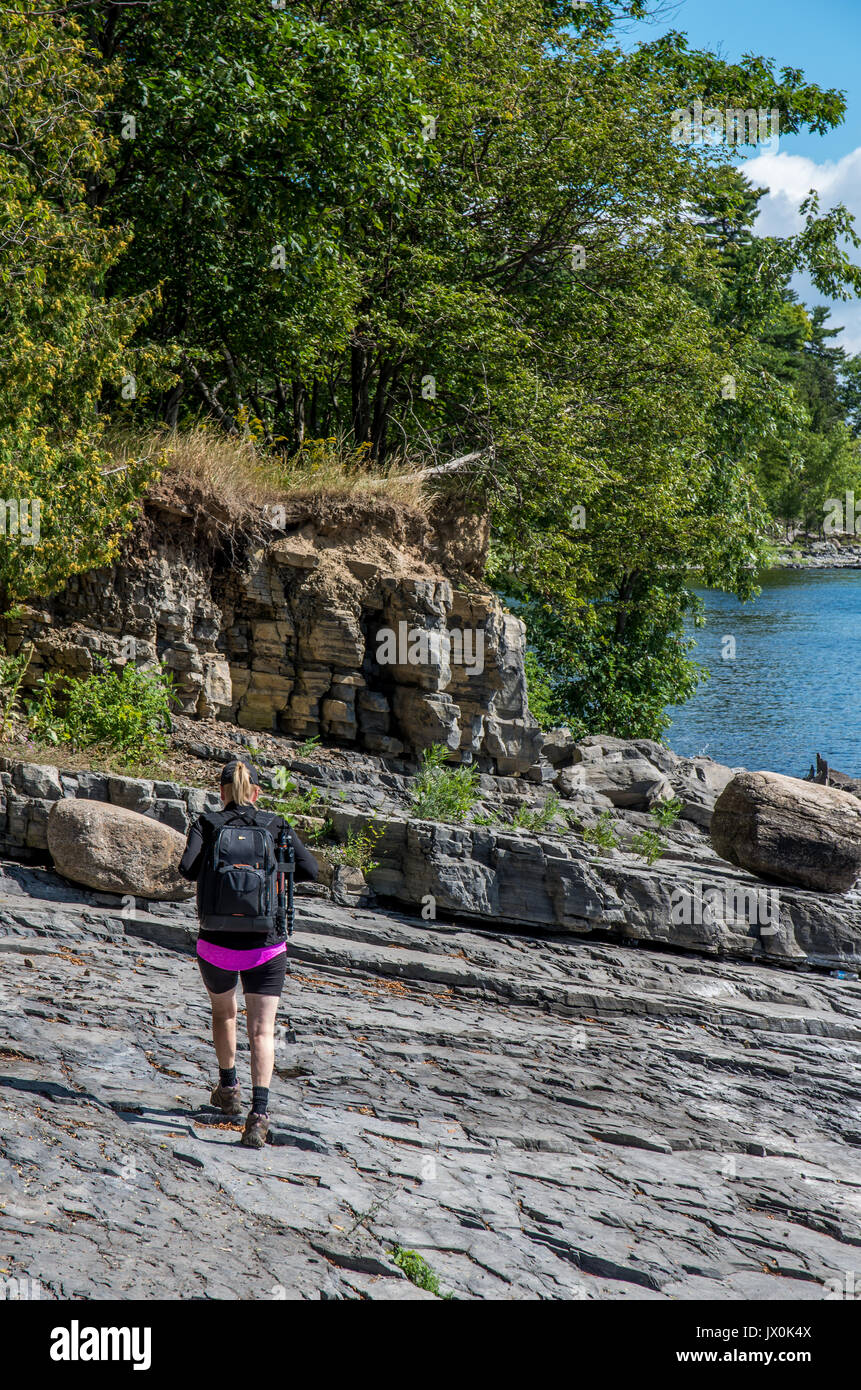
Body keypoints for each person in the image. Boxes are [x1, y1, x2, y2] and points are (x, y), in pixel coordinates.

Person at [179, 758, 319, 1148]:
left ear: (221, 792)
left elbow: (186, 869)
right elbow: (311, 871)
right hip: (266, 946)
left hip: (216, 943)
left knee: (224, 1014)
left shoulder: (207, 823)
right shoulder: (276, 825)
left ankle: (229, 1090)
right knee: (261, 1030)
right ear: (256, 793)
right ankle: (258, 1116)